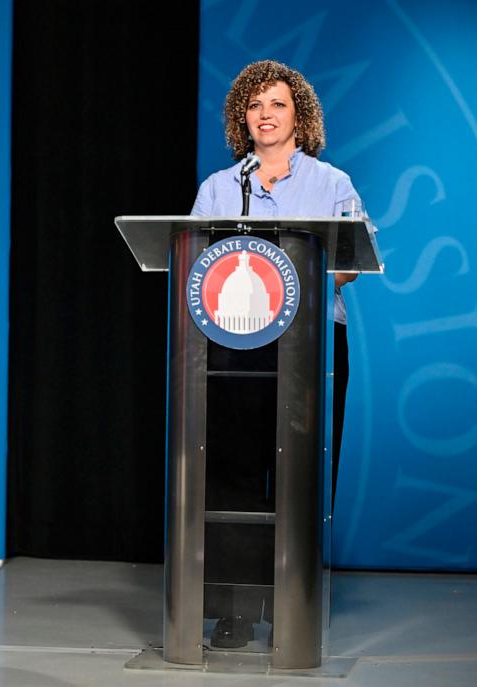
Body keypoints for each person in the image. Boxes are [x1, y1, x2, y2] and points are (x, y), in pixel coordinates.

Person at [190, 59, 363, 648]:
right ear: (244, 118)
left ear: (299, 117)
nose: (265, 114)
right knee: (233, 474)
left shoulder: (332, 184)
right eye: (255, 105)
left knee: (300, 474)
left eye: (278, 104)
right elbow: (194, 264)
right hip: (232, 349)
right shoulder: (218, 187)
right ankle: (234, 609)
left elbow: (349, 267)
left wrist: (289, 275)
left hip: (310, 345)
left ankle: (294, 604)